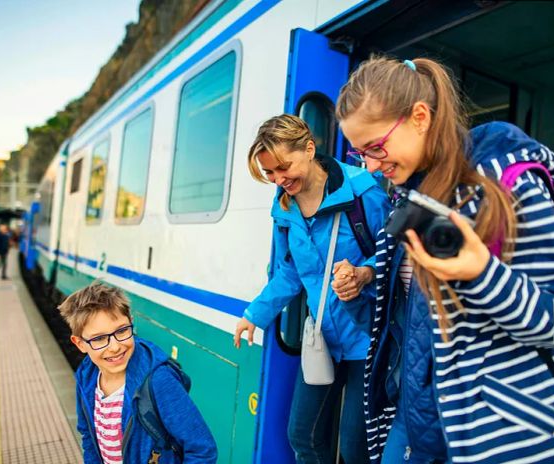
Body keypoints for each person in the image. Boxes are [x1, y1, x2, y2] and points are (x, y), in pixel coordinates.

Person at [334, 56, 554, 463]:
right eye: (360, 154)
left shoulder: (504, 185)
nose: (371, 165)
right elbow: (402, 325)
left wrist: (482, 274)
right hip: (416, 421)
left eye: (376, 147)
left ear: (420, 117)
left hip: (501, 437)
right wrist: (358, 290)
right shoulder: (408, 201)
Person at [233, 114, 390, 463]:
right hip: (323, 336)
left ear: (308, 148)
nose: (278, 180)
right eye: (270, 173)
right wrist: (254, 315)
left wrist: (364, 273)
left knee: (355, 448)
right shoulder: (284, 205)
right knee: (303, 435)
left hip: (368, 337)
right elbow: (289, 271)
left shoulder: (364, 191)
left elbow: (398, 257)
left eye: (283, 167)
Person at [59, 283, 218, 464]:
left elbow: (202, 449)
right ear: (79, 343)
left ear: (131, 323)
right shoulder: (86, 377)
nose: (115, 346)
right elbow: (88, 433)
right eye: (99, 338)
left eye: (121, 331)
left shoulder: (159, 380)